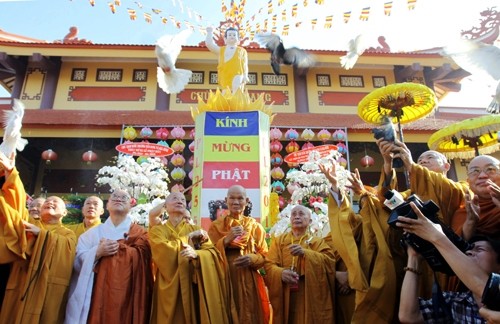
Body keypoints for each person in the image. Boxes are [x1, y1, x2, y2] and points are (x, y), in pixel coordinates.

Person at [320, 162, 399, 323]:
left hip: (384, 283)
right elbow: (343, 215)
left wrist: (387, 163)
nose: (367, 205)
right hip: (353, 288)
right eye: (363, 203)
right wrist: (335, 185)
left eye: (371, 202)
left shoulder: (392, 226)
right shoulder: (358, 223)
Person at [397, 202, 500, 323]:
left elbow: (486, 288)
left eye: (480, 249)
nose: (470, 253)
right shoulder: (457, 301)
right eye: (468, 250)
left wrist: (436, 236)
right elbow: (409, 316)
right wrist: (414, 257)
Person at [64, 189, 153, 324]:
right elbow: (76, 262)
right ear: (107, 206)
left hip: (128, 290)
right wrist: (97, 252)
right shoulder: (90, 235)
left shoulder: (140, 234)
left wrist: (121, 248)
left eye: (124, 198)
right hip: (96, 290)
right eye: (114, 197)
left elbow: (146, 260)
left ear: (131, 205)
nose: (119, 199)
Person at [149, 192, 236, 324]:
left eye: (183, 200)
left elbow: (212, 252)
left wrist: (197, 255)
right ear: (165, 207)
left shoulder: (196, 229)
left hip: (192, 283)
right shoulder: (157, 231)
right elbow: (164, 251)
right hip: (168, 286)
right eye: (174, 199)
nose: (179, 201)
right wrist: (189, 238)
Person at [0, 186, 76, 324]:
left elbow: (68, 251)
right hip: (20, 283)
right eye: (47, 201)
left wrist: (41, 235)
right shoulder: (30, 222)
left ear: (64, 212)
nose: (50, 202)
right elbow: (13, 209)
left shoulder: (67, 234)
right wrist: (9, 175)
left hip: (47, 288)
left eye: (55, 202)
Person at [208, 185, 270, 323]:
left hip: (249, 278)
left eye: (240, 198)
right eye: (232, 198)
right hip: (225, 277)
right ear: (226, 200)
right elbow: (208, 255)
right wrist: (225, 240)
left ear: (246, 201)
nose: (236, 202)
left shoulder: (255, 227)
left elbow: (265, 256)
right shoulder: (216, 226)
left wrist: (252, 258)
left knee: (250, 313)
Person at [264, 205, 336, 323]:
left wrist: (306, 253)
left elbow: (329, 262)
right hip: (286, 292)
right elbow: (269, 264)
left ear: (310, 220)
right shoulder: (279, 241)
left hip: (308, 293)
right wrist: (281, 273)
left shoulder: (317, 241)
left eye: (301, 214)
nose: (297, 216)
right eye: (294, 214)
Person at [205, 26, 249, 94]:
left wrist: (245, 75)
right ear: (225, 39)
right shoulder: (221, 50)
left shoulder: (242, 51)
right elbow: (210, 45)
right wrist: (209, 32)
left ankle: (236, 103)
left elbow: (245, 64)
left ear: (238, 39)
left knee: (236, 88)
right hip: (225, 72)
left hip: (238, 72)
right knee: (225, 91)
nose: (232, 36)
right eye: (230, 35)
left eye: (234, 35)